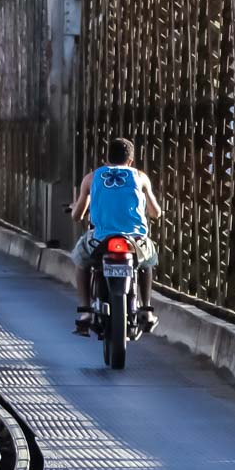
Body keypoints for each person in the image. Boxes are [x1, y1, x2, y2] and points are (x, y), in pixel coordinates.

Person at [69, 137, 161, 335]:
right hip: (135, 240)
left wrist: (78, 207)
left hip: (101, 239)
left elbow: (77, 216)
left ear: (107, 159)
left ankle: (85, 311)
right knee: (147, 262)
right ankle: (146, 309)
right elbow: (156, 213)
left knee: (80, 260)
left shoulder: (91, 178)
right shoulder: (140, 177)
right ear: (131, 160)